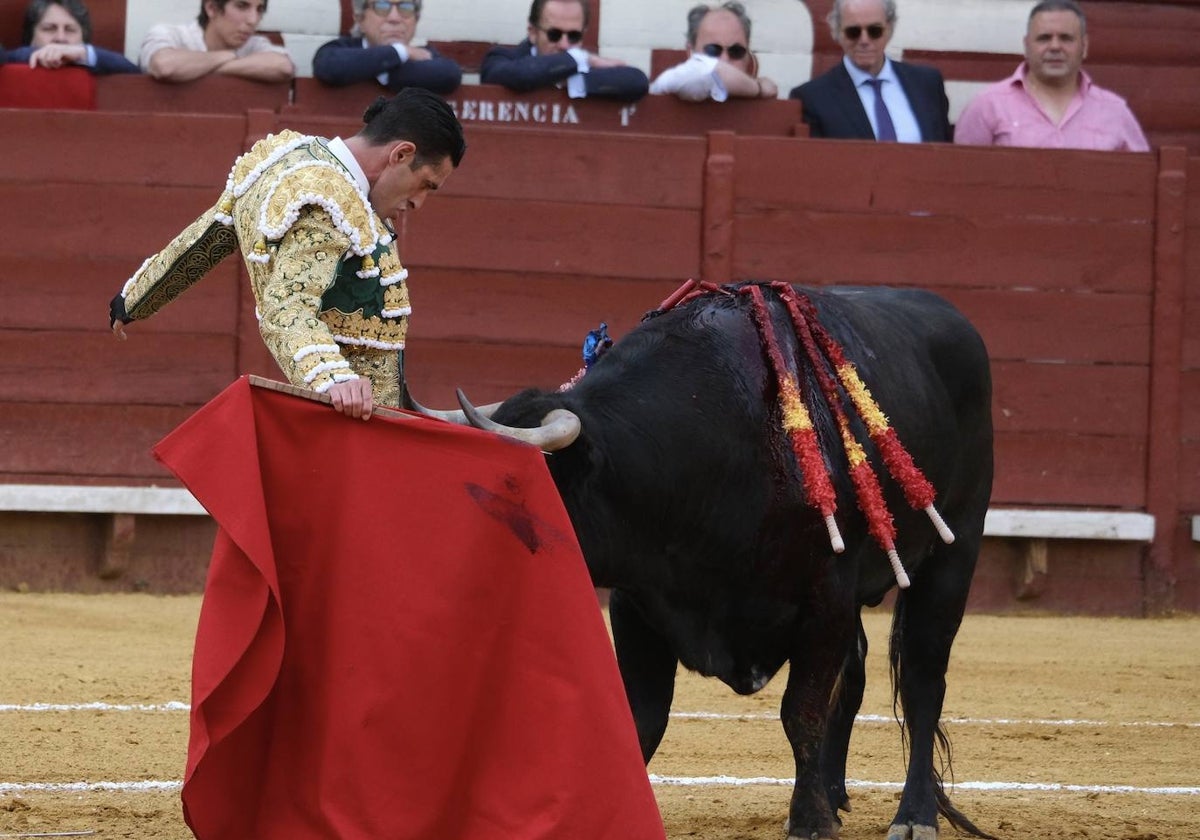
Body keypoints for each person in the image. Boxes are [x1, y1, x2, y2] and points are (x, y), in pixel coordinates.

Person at [109, 88, 466, 421]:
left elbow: (213, 232)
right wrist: (333, 379)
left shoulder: (288, 156)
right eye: (426, 185)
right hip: (346, 417)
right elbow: (286, 308)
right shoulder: (327, 200)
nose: (419, 202)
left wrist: (136, 298)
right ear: (401, 154)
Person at [954, 0, 1148, 152]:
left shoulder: (1114, 111)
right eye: (1044, 38)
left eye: (1066, 38)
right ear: (1027, 45)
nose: (1055, 47)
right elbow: (960, 180)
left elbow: (1141, 183)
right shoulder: (987, 106)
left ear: (1085, 46)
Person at [788, 0, 950, 142]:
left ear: (889, 29)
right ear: (836, 32)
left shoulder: (927, 84)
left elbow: (945, 154)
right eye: (853, 32)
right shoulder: (813, 98)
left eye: (874, 31)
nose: (864, 40)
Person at [480, 0, 647, 102]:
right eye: (554, 34)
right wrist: (577, 59)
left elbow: (637, 81)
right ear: (532, 32)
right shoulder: (502, 59)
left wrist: (571, 80)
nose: (564, 45)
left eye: (574, 36)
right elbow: (518, 74)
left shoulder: (587, 64)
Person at [312, 0, 461, 95]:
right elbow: (329, 66)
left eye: (406, 7)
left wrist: (372, 68)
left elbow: (449, 74)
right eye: (381, 6)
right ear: (359, 18)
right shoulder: (339, 50)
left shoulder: (424, 55)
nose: (394, 18)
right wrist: (400, 51)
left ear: (416, 19)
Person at [649, 1, 778, 102]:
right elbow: (712, 73)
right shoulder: (674, 78)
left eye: (736, 51)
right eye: (713, 50)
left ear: (748, 55)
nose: (724, 60)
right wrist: (758, 88)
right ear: (691, 52)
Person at [138, 0, 294, 83]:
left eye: (259, 9)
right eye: (241, 6)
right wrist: (226, 55)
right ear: (212, 8)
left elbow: (283, 67)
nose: (253, 20)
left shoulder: (254, 43)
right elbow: (165, 66)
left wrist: (201, 67)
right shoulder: (171, 34)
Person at [4, 0, 137, 74]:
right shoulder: (14, 59)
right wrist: (36, 54)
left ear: (84, 37)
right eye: (49, 29)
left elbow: (134, 72)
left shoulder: (96, 61)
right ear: (31, 35)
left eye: (70, 30)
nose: (61, 38)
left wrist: (84, 54)